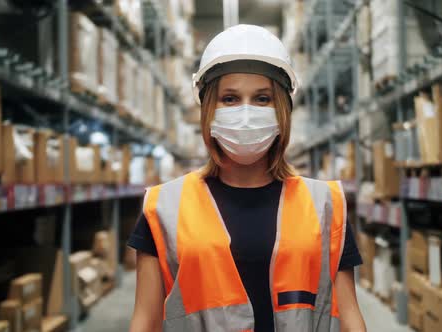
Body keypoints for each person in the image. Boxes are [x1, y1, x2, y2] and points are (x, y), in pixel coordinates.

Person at [128, 24, 366, 332]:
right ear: (208, 109)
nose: (245, 113)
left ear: (282, 109)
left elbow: (349, 317)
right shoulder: (163, 207)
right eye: (229, 99)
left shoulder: (325, 205)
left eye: (262, 98)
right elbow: (144, 322)